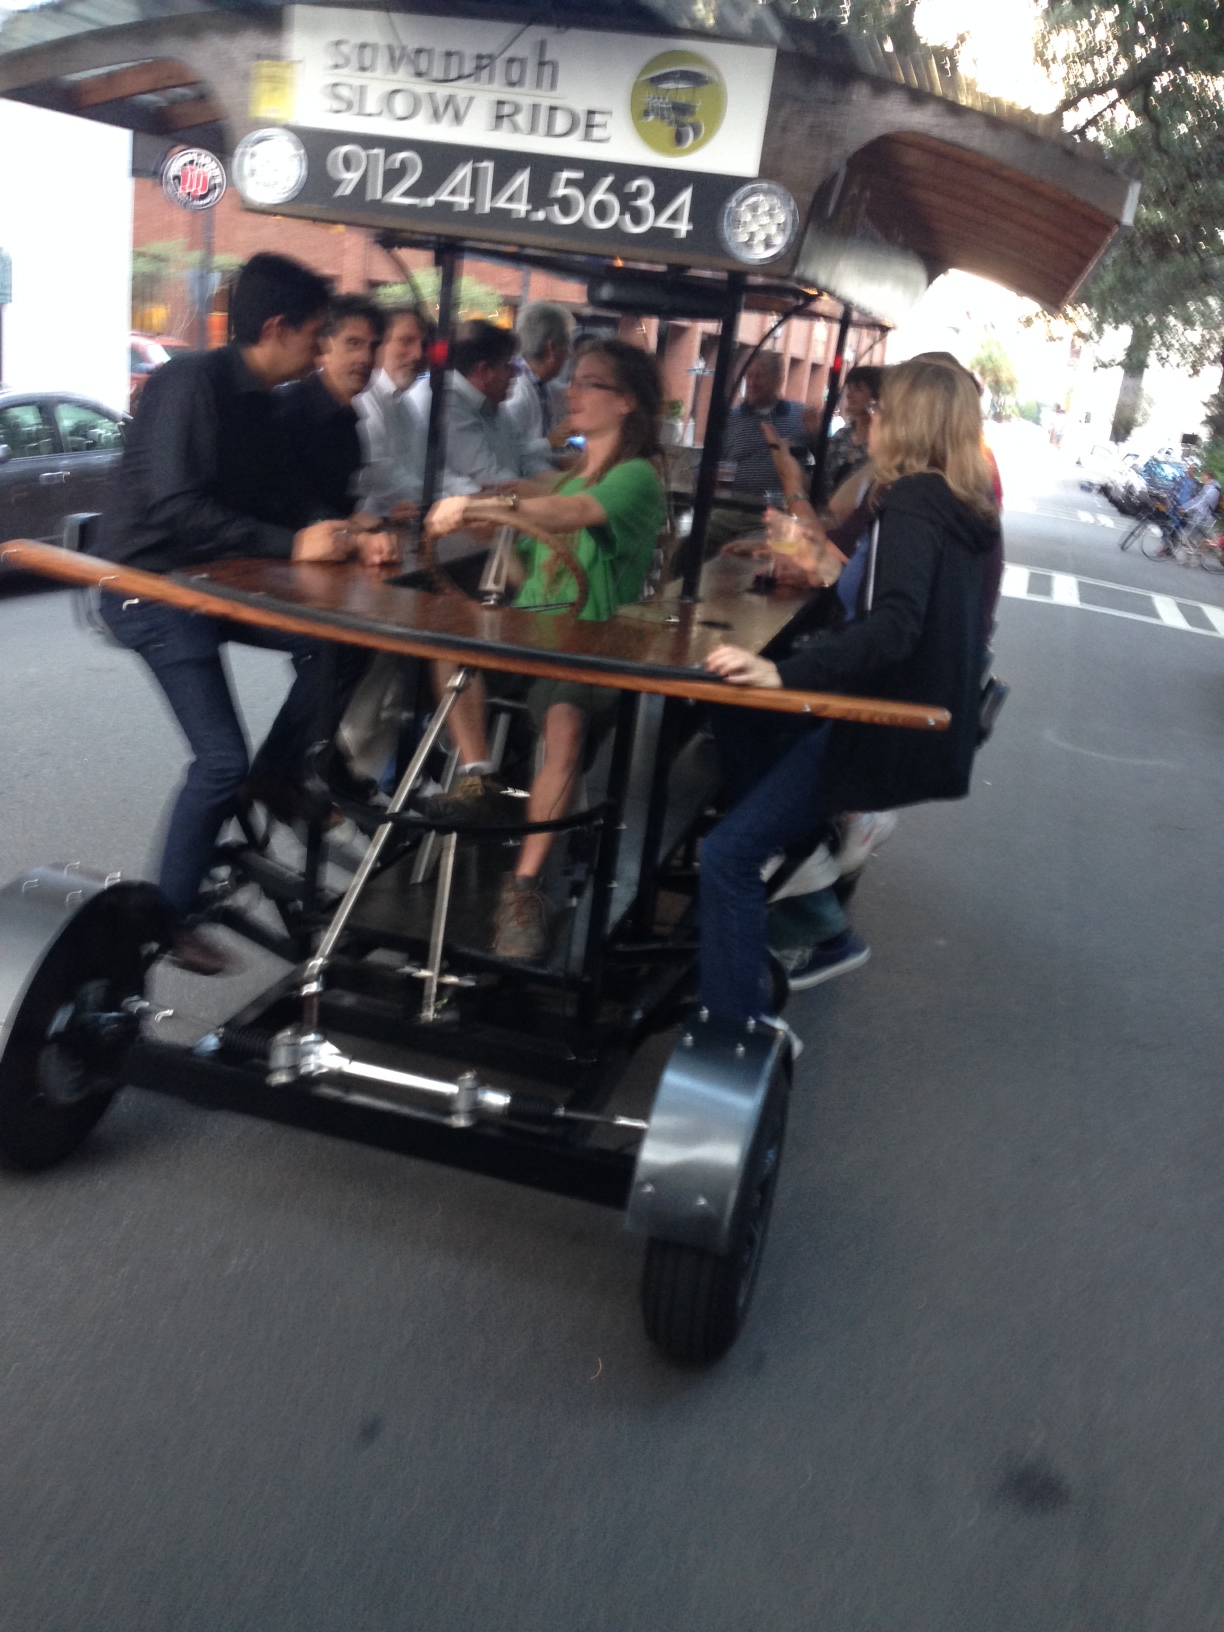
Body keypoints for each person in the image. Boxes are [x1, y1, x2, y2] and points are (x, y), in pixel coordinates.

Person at [97, 252, 397, 975]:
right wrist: (293, 542)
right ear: (276, 328)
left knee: (344, 640)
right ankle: (169, 918)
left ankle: (278, 774)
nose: (322, 351)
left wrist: (345, 532)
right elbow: (178, 507)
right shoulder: (188, 384)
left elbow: (287, 494)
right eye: (318, 336)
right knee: (218, 759)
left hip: (215, 587)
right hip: (151, 591)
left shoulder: (262, 401)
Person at [699, 358, 1001, 1024]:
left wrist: (784, 674)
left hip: (876, 723)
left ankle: (737, 1035)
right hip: (905, 722)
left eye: (882, 409)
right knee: (738, 716)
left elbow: (893, 626)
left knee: (726, 856)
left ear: (911, 420)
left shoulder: (913, 500)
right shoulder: (955, 504)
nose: (872, 418)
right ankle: (800, 854)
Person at [422, 338, 665, 962]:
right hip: (531, 637)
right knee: (444, 643)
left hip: (587, 644)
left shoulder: (636, 478)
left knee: (565, 720)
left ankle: (524, 888)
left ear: (627, 402)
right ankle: (479, 775)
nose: (572, 393)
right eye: (573, 380)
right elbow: (529, 546)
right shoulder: (564, 475)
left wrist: (486, 505)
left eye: (589, 383)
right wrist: (483, 530)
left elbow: (571, 512)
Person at [409, 319, 552, 494]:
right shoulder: (447, 403)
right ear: (484, 371)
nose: (515, 373)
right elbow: (490, 478)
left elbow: (523, 457)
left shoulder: (493, 404)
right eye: (507, 365)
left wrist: (564, 485)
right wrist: (558, 495)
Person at [276, 294, 385, 518]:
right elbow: (283, 502)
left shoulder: (349, 419)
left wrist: (383, 517)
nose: (366, 358)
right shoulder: (289, 409)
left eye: (373, 347)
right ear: (323, 346)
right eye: (353, 343)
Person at [704, 350, 817, 552]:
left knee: (746, 556)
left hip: (772, 515)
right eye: (749, 376)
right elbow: (709, 461)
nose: (752, 383)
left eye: (759, 376)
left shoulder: (799, 416)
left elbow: (823, 465)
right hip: (729, 511)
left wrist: (818, 434)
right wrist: (711, 473)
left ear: (778, 381)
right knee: (690, 545)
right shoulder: (731, 418)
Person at [355, 305, 429, 521]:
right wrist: (440, 500)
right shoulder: (363, 398)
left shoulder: (405, 405)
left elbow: (425, 466)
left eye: (423, 345)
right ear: (379, 345)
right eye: (406, 341)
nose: (418, 354)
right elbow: (381, 475)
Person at [503, 300, 575, 469]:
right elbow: (507, 453)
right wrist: (550, 441)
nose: (569, 354)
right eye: (566, 345)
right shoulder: (515, 391)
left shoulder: (544, 385)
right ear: (551, 349)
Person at [823, 365, 883, 497]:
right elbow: (822, 479)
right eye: (849, 389)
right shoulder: (841, 436)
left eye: (858, 389)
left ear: (876, 396)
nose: (850, 395)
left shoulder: (882, 443)